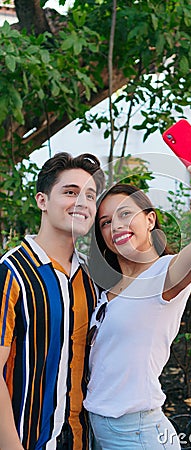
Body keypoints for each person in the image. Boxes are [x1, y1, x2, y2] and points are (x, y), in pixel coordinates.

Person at [83, 142, 191, 449]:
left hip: (137, 433)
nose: (116, 224)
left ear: (150, 219)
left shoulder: (164, 275)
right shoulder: (108, 288)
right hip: (99, 428)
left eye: (126, 213)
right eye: (105, 222)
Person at [0, 152, 105, 450]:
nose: (82, 203)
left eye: (90, 196)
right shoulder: (11, 272)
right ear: (42, 201)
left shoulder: (91, 277)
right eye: (70, 192)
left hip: (80, 440)